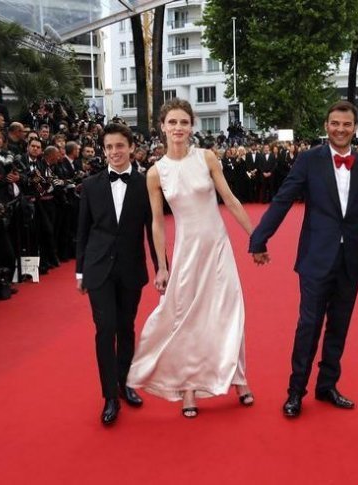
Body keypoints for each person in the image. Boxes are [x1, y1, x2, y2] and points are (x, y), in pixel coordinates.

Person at [249, 100, 358, 418]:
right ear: (326, 125)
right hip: (315, 257)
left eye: (347, 124)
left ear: (355, 127)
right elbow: (283, 198)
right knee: (308, 325)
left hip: (351, 258)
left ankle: (327, 386)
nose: (340, 129)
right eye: (335, 123)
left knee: (339, 326)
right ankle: (296, 391)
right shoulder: (309, 160)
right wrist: (259, 237)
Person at [126, 99, 255, 418]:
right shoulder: (156, 173)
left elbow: (229, 198)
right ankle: (188, 387)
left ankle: (238, 378)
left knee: (228, 313)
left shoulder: (207, 157)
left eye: (184, 122)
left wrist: (256, 236)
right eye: (173, 122)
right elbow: (157, 222)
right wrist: (162, 266)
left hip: (217, 249)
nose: (179, 128)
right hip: (187, 254)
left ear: (192, 126)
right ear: (163, 126)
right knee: (187, 319)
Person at [76, 123, 157, 426]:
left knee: (126, 328)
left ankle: (125, 384)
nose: (114, 152)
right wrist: (79, 272)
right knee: (105, 328)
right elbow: (82, 231)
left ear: (131, 147)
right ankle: (109, 395)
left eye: (119, 146)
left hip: (131, 268)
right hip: (98, 269)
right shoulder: (91, 185)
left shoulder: (145, 184)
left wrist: (162, 266)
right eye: (109, 147)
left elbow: (154, 230)